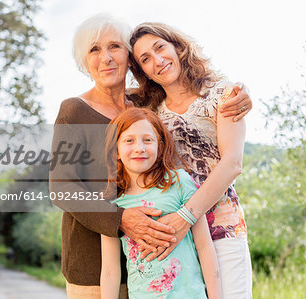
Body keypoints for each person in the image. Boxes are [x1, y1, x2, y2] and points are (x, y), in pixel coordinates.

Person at [49, 13, 251, 299]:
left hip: (165, 259)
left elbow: (191, 94)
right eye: (94, 49)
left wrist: (242, 94)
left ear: (129, 59)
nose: (106, 57)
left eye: (114, 47)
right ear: (84, 60)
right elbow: (62, 188)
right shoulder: (73, 111)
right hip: (96, 264)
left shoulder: (148, 104)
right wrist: (120, 219)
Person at [129, 22, 252, 298]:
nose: (157, 61)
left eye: (160, 47)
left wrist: (187, 215)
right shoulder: (149, 110)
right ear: (141, 71)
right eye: (145, 59)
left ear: (177, 46)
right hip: (175, 237)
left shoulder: (223, 94)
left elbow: (233, 163)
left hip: (222, 227)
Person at [101, 107, 221, 299]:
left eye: (147, 140)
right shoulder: (113, 205)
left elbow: (205, 247)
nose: (139, 147)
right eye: (129, 140)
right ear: (115, 150)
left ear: (160, 146)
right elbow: (109, 270)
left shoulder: (179, 182)